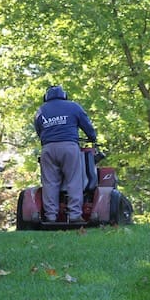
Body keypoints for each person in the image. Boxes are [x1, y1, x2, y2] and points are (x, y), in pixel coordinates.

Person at [34, 85, 97, 222]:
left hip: (48, 149)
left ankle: (50, 216)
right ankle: (74, 215)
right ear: (64, 95)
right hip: (69, 147)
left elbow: (39, 131)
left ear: (46, 97)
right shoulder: (73, 107)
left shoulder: (41, 110)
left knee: (50, 183)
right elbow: (87, 125)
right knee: (74, 180)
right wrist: (92, 137)